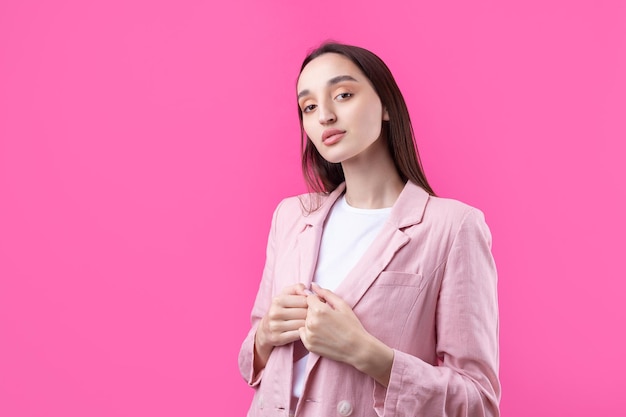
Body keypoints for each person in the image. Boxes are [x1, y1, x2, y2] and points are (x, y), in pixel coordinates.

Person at [238, 42, 500, 417]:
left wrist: (368, 354)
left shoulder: (453, 227)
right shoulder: (290, 217)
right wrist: (264, 336)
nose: (324, 115)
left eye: (343, 95)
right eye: (309, 107)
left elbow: (478, 402)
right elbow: (251, 362)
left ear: (387, 106)